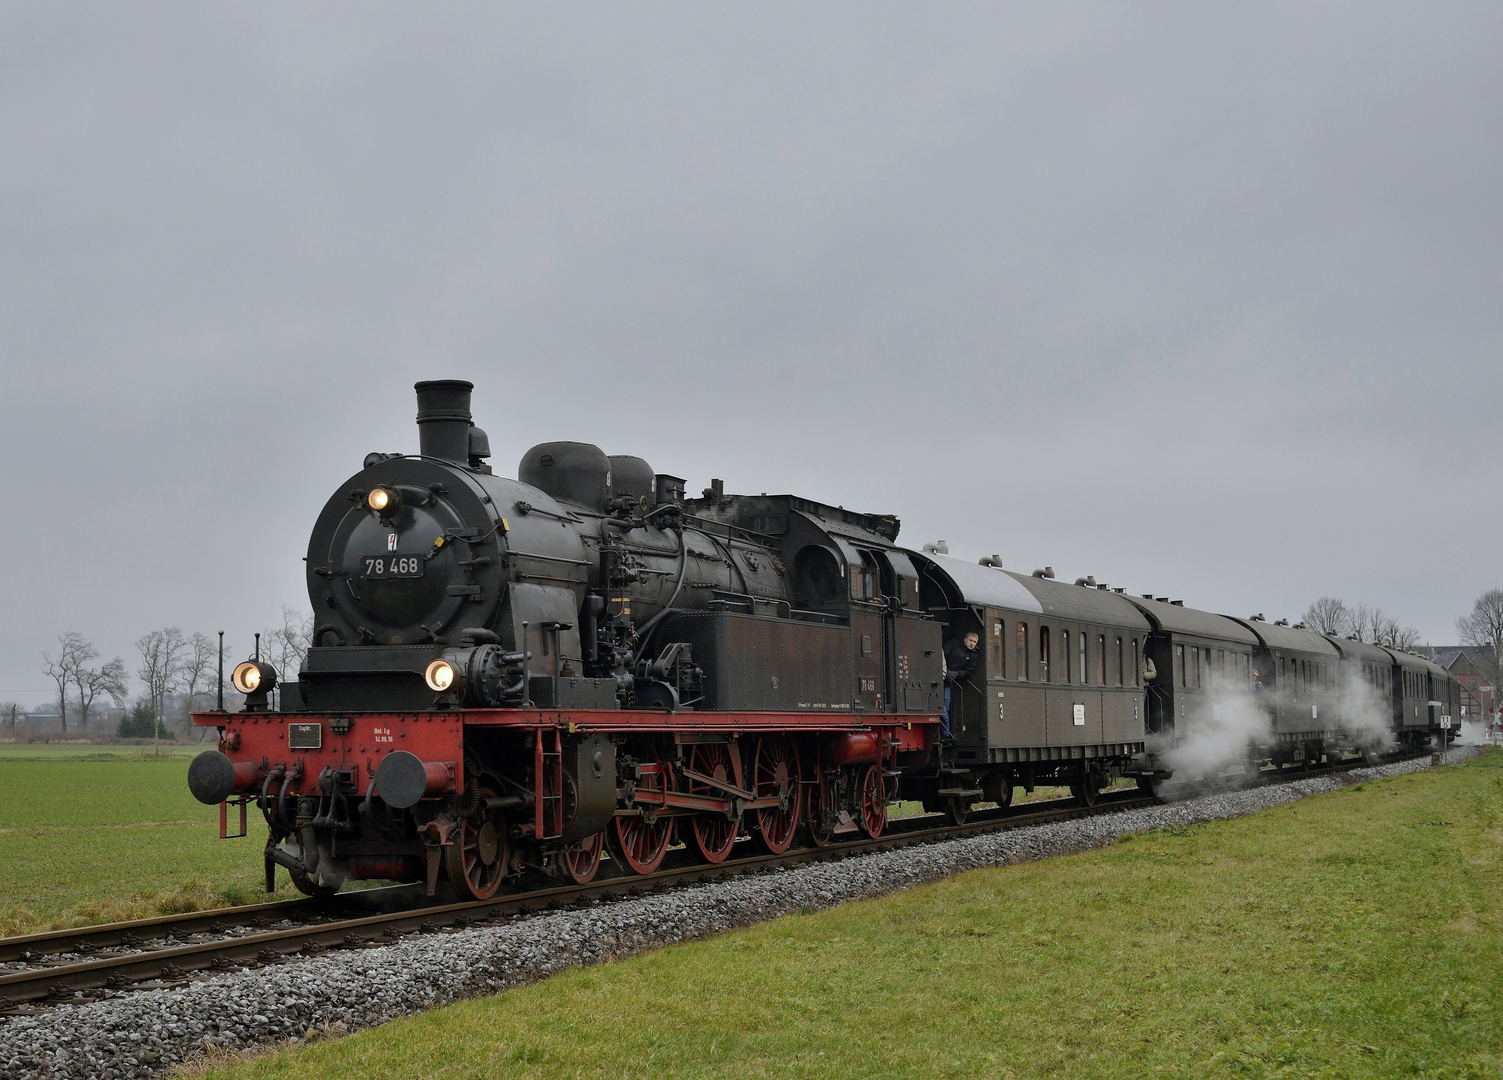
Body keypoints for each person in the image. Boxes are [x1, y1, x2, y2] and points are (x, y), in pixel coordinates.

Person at [942, 631, 980, 740]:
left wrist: (955, 674)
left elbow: (967, 671)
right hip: (939, 677)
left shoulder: (974, 655)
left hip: (949, 682)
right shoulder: (954, 644)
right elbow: (942, 655)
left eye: (974, 642)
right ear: (965, 640)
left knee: (945, 709)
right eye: (970, 641)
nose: (972, 644)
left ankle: (945, 735)